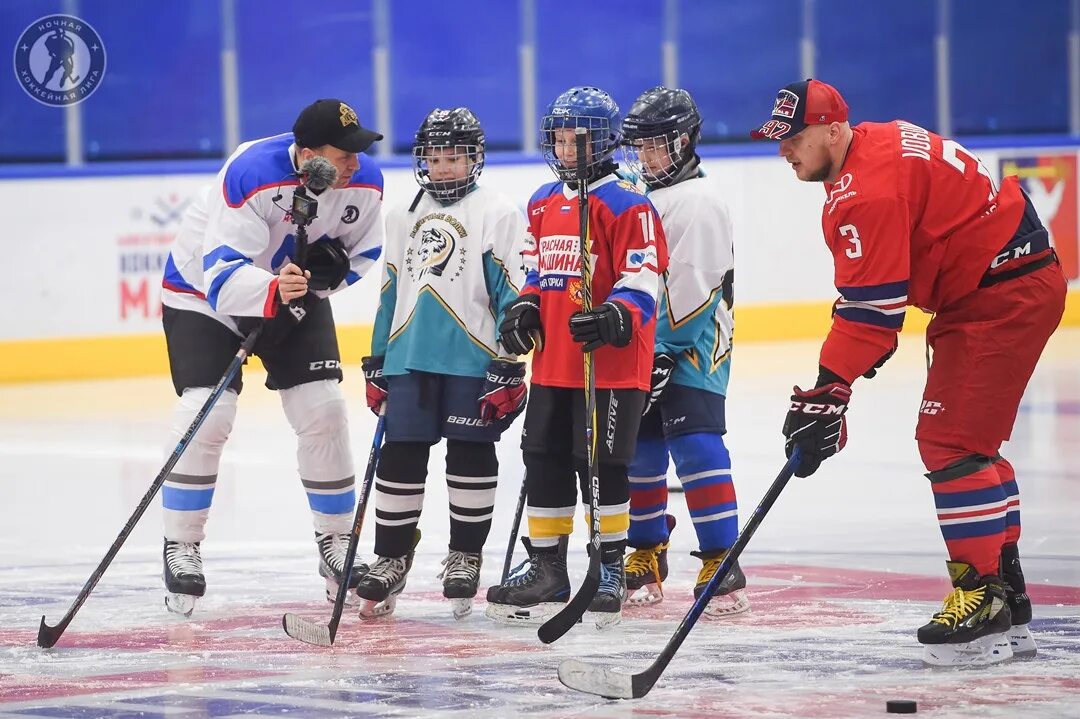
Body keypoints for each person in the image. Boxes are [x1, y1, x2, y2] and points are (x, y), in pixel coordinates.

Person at [751, 79, 1067, 665]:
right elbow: (882, 292)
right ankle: (1007, 591)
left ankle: (984, 596)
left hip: (997, 296)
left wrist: (826, 391)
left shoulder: (863, 191)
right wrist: (837, 380)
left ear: (834, 128)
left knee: (949, 442)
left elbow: (872, 313)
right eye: (778, 139)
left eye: (794, 138)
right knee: (974, 445)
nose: (784, 151)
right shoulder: (882, 140)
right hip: (1004, 283)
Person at [159, 98, 385, 616]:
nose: (355, 162)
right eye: (342, 152)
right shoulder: (250, 173)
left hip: (293, 290)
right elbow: (219, 272)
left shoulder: (365, 180)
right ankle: (182, 544)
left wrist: (334, 273)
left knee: (324, 409)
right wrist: (272, 289)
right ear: (305, 155)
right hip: (202, 293)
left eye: (357, 150)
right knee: (208, 411)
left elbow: (366, 250)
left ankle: (336, 544)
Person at [485, 86, 668, 629]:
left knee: (604, 464)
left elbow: (645, 273)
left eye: (578, 140)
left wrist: (617, 314)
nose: (567, 150)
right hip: (556, 363)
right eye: (560, 140)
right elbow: (538, 268)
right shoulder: (543, 201)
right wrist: (524, 307)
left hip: (609, 365)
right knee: (542, 455)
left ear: (604, 142)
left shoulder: (628, 204)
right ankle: (547, 565)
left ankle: (609, 564)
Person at [357, 107, 530, 620]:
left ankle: (465, 554)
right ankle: (390, 557)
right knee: (400, 456)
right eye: (435, 157)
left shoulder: (498, 211)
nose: (443, 167)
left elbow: (511, 294)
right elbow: (391, 289)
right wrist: (377, 357)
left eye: (454, 157)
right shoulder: (401, 214)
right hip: (409, 357)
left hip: (472, 358)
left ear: (475, 158)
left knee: (470, 455)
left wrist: (509, 360)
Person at [620, 87, 745, 617]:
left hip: (694, 345)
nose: (648, 157)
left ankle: (722, 557)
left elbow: (695, 282)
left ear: (686, 140)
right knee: (641, 446)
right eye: (641, 147)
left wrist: (665, 349)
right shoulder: (641, 194)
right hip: (645, 341)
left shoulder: (698, 200)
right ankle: (647, 549)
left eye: (658, 146)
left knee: (695, 443)